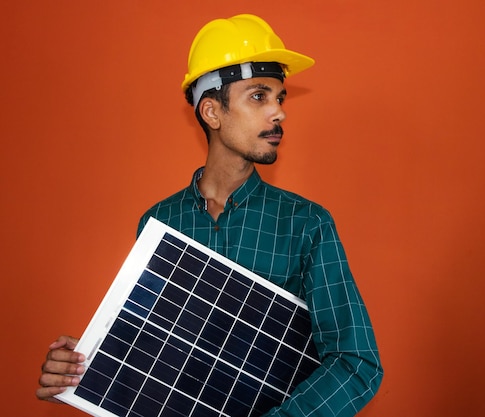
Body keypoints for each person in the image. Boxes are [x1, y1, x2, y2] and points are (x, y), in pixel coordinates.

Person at [36, 14, 383, 416]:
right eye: (258, 96)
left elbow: (357, 363)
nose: (279, 113)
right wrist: (81, 368)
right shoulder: (158, 224)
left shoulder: (306, 223)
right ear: (212, 113)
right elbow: (155, 358)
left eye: (279, 98)